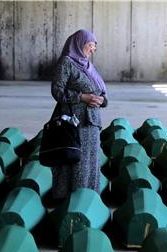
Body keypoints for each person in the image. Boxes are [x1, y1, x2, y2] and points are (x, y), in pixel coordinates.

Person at [50, 29, 107, 200]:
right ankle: (71, 200)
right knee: (75, 162)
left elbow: (101, 92)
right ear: (80, 44)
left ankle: (88, 199)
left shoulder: (89, 66)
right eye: (90, 45)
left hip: (92, 124)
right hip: (74, 123)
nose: (92, 49)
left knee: (90, 163)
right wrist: (82, 97)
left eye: (94, 47)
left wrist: (102, 101)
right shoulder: (66, 63)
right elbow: (57, 91)